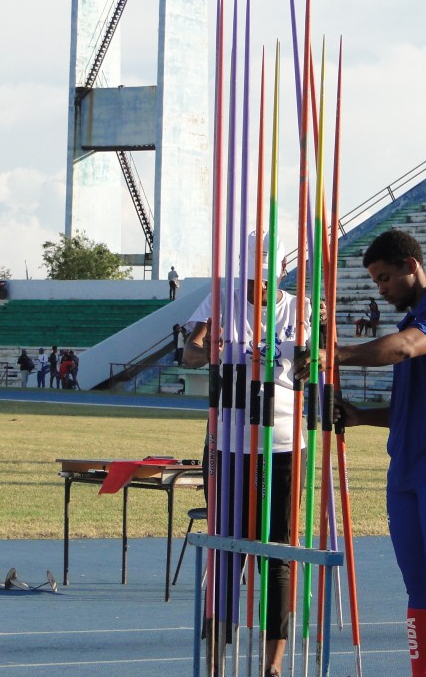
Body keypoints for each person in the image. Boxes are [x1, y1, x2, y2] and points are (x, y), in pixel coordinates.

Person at [300, 229, 426, 677]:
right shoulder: (409, 324)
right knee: (417, 588)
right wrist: (361, 416)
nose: (380, 289)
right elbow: (409, 408)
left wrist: (336, 354)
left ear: (410, 266)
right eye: (375, 281)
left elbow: (402, 350)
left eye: (384, 278)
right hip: (403, 470)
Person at [183, 231, 313, 677]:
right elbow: (190, 352)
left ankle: (272, 665)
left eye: (267, 278)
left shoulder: (300, 308)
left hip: (283, 443)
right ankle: (217, 660)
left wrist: (313, 353)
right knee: (226, 551)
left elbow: (313, 364)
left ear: (281, 271)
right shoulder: (220, 302)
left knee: (278, 552)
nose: (259, 287)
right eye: (253, 278)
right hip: (228, 442)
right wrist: (207, 350)